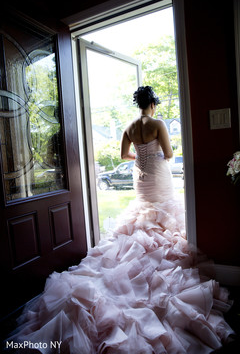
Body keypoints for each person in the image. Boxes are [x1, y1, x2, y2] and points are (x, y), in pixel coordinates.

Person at [8, 86, 233, 353]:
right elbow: (170, 154)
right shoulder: (158, 123)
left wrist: (141, 155)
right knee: (163, 216)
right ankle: (155, 260)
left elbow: (124, 155)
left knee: (142, 214)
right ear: (154, 104)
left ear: (139, 104)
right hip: (158, 174)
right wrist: (156, 154)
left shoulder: (129, 126)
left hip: (140, 175)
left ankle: (135, 256)